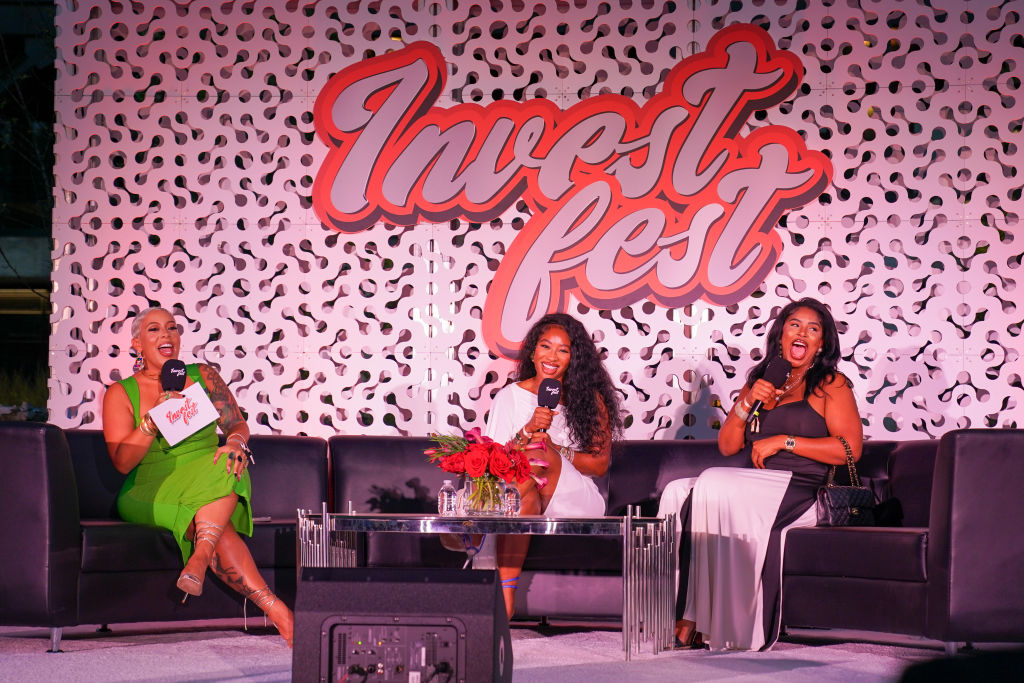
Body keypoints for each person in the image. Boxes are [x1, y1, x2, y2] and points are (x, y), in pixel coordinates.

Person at [659, 297, 863, 651]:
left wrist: (785, 442)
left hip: (801, 488)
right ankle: (670, 611)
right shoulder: (762, 380)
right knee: (676, 491)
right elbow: (727, 446)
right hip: (757, 484)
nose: (802, 333)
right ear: (781, 335)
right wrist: (746, 401)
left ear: (821, 343)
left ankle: (703, 621)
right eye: (795, 325)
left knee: (714, 481)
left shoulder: (830, 383)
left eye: (813, 329)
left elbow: (850, 449)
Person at [101, 306, 294, 646]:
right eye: (154, 329)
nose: (166, 334)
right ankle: (279, 613)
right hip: (151, 487)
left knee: (230, 460)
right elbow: (122, 463)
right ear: (137, 344)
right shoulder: (120, 393)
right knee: (217, 502)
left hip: (208, 473)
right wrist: (151, 421)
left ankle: (201, 557)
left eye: (172, 327)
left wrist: (234, 442)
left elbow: (237, 425)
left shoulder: (203, 375)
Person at [484, 312, 623, 618]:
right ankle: (506, 598)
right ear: (533, 351)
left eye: (563, 350)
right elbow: (494, 461)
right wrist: (527, 429)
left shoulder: (589, 401)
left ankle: (481, 526)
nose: (552, 356)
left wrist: (557, 451)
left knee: (539, 452)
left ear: (574, 359)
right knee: (523, 493)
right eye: (546, 346)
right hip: (523, 492)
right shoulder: (509, 397)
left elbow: (599, 465)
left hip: (576, 497)